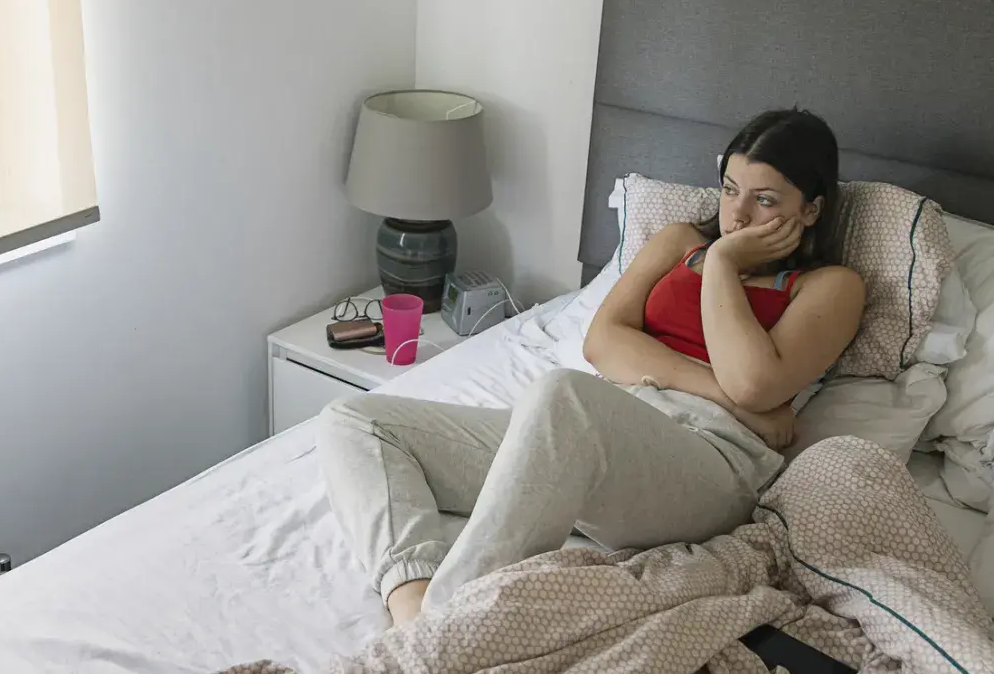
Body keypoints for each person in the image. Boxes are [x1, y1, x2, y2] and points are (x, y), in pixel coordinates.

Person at [319, 109, 866, 625]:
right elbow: (603, 343)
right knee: (356, 420)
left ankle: (444, 628)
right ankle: (413, 609)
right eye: (729, 190)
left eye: (764, 200)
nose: (738, 214)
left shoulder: (830, 288)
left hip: (709, 465)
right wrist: (729, 396)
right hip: (592, 435)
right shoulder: (679, 243)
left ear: (811, 210)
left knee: (563, 395)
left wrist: (724, 261)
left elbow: (753, 381)